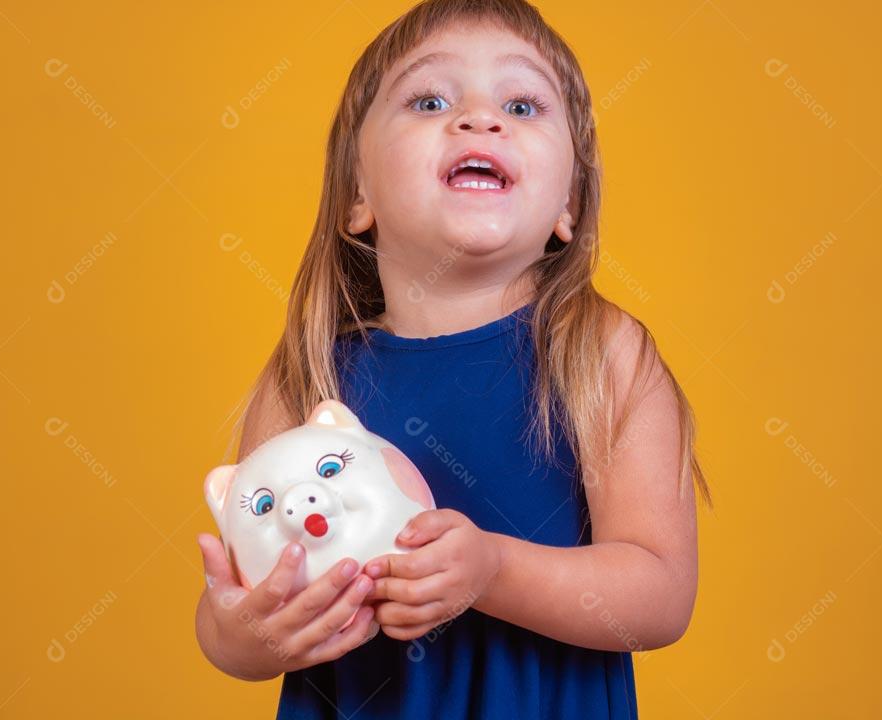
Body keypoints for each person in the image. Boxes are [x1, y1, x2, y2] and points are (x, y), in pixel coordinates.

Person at [196, 0, 710, 716]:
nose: (480, 119)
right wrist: (246, 634)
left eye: (522, 105)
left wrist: (492, 571)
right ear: (358, 193)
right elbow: (234, 614)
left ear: (568, 202)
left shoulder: (602, 353)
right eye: (430, 100)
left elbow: (660, 597)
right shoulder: (310, 374)